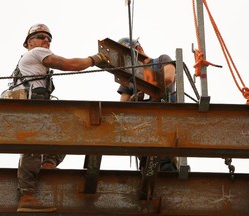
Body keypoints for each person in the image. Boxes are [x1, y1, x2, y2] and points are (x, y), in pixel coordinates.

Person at [11, 23, 106, 213]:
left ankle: (48, 163)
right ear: (30, 43)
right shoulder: (35, 53)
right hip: (32, 108)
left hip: (39, 107)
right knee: (33, 147)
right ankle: (26, 195)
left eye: (48, 38)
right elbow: (70, 65)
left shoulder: (33, 60)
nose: (46, 40)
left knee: (67, 129)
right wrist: (95, 59)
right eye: (40, 37)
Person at [116, 37, 178, 172]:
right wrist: (132, 101)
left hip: (164, 121)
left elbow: (167, 78)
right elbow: (122, 108)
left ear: (138, 49)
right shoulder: (129, 76)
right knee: (146, 167)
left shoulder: (161, 60)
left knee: (165, 165)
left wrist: (145, 86)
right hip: (141, 128)